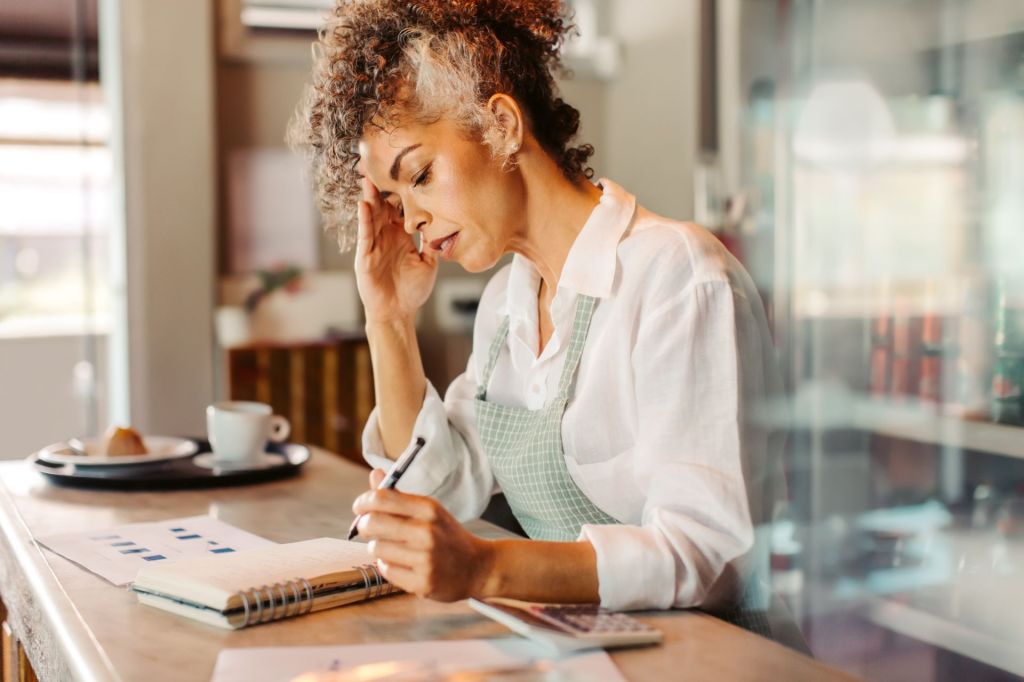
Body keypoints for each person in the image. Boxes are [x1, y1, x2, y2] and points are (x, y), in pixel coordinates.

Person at [290, 0, 785, 630]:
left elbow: (712, 555)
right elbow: (432, 496)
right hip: (591, 653)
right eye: (392, 198)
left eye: (418, 174)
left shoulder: (677, 277)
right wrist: (387, 318)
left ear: (500, 124)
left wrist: (489, 569)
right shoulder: (506, 305)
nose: (409, 220)